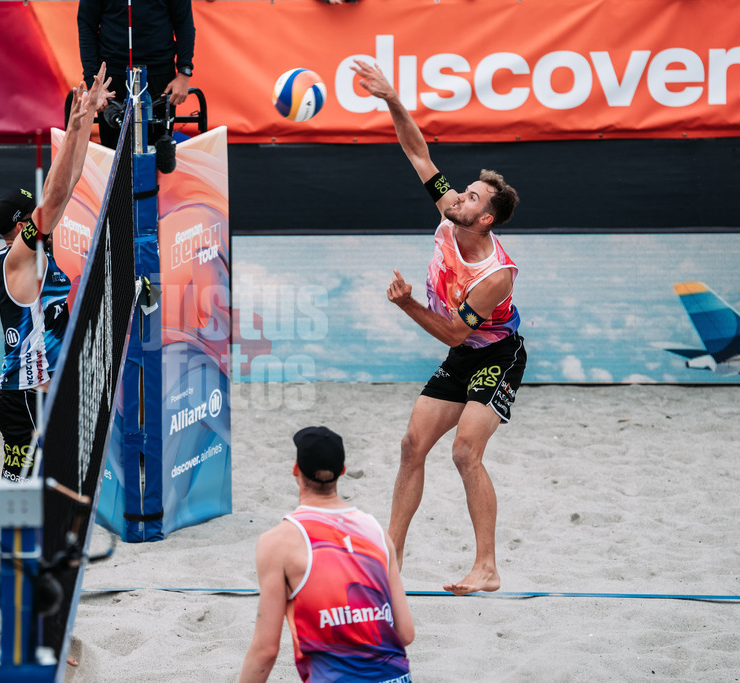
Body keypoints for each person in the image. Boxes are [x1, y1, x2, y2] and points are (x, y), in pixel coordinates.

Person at [351, 59, 527, 597]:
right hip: (464, 354)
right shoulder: (451, 215)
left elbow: (454, 333)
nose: (457, 198)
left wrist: (406, 304)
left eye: (471, 197)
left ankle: (487, 567)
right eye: (463, 192)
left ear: (486, 219)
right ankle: (392, 557)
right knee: (412, 445)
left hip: (497, 355)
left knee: (465, 452)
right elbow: (418, 152)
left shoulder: (495, 274)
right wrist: (391, 99)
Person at [0, 64, 111, 483]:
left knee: (59, 492)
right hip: (24, 399)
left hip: (47, 393)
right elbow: (56, 197)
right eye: (34, 213)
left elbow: (69, 181)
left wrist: (86, 118)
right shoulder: (17, 260)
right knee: (20, 495)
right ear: (22, 225)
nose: (45, 215)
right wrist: (74, 125)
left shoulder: (33, 253)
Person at [240, 427, 414, 683]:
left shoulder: (277, 542)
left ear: (296, 469)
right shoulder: (376, 531)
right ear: (342, 471)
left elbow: (265, 651)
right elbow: (406, 633)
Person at [77, 0, 195, 149]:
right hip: (112, 78)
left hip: (160, 77)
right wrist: (94, 81)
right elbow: (87, 25)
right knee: (114, 154)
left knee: (159, 153)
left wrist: (184, 73)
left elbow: (184, 23)